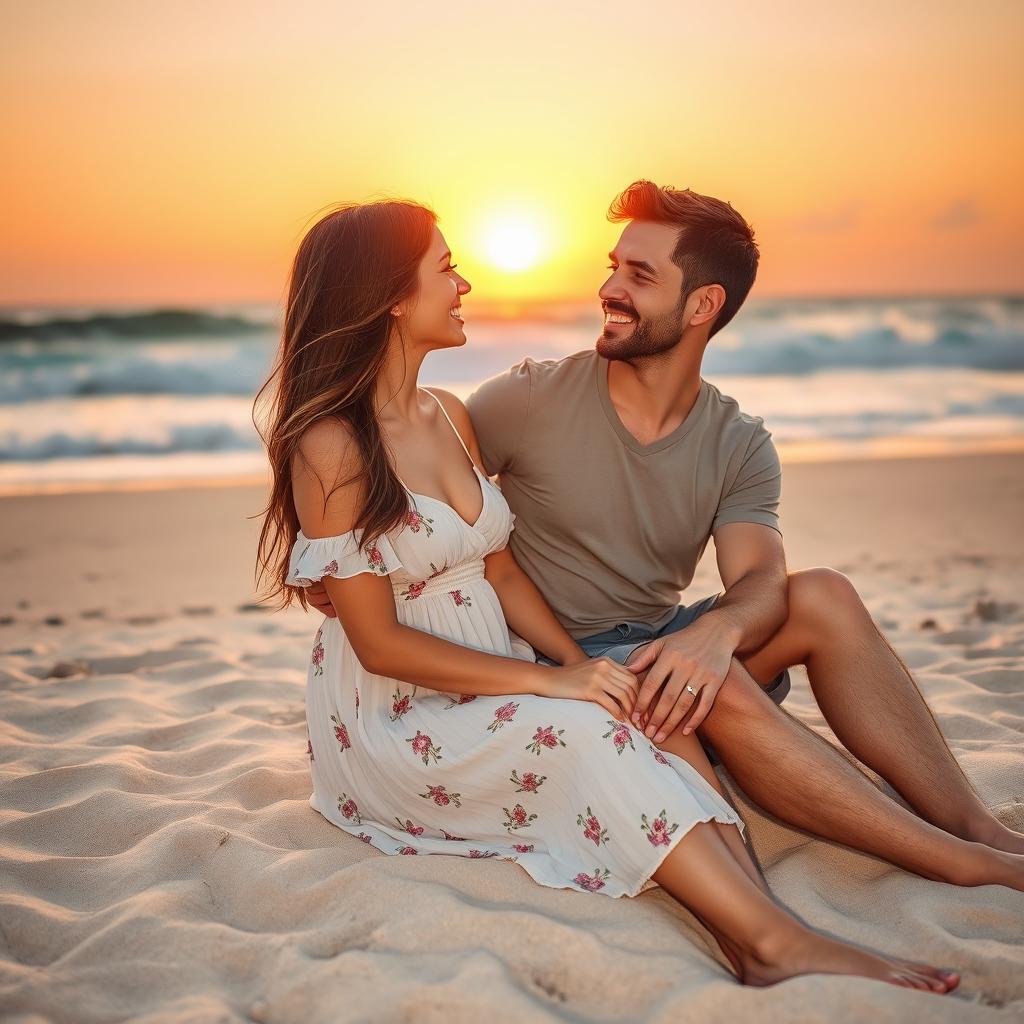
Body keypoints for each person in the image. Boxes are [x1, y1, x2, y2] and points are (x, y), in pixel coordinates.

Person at [259, 197, 963, 993]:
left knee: (708, 659)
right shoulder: (411, 425)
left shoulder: (462, 416)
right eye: (446, 267)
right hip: (421, 700)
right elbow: (377, 619)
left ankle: (882, 874)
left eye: (639, 273)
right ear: (390, 294)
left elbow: (500, 567)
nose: (463, 283)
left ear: (703, 306)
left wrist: (639, 653)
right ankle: (790, 927)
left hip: (538, 662)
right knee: (629, 714)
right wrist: (553, 674)